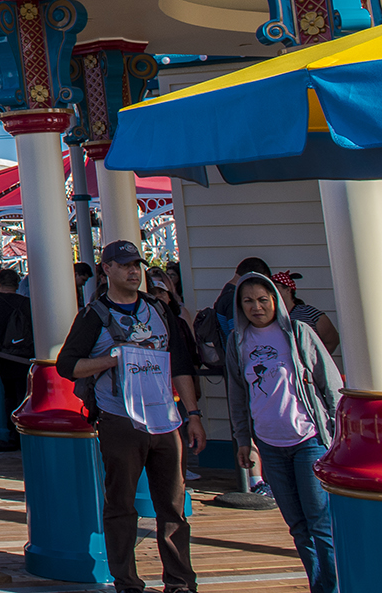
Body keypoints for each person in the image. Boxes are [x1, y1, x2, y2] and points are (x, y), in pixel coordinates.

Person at [57, 241, 206, 593]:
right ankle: (127, 581)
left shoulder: (157, 309)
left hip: (165, 419)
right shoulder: (93, 316)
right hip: (120, 419)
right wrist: (111, 359)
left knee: (172, 506)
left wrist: (193, 414)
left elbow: (180, 363)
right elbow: (68, 366)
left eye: (136, 264)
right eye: (124, 265)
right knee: (121, 504)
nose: (133, 271)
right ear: (106, 269)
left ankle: (180, 581)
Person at [225, 272, 340, 593]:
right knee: (298, 527)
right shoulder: (237, 341)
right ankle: (319, 586)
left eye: (263, 299)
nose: (256, 307)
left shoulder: (300, 334)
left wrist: (336, 434)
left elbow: (329, 384)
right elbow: (237, 393)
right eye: (248, 301)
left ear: (276, 300)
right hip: (270, 446)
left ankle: (334, 587)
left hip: (309, 441)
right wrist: (243, 441)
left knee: (321, 524)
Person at [0, 267, 33, 443]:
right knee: (24, 391)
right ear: (17, 284)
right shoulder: (25, 303)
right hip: (25, 354)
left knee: (9, 393)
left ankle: (12, 431)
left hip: (2, 354)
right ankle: (25, 428)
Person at [271, 271, 342, 355]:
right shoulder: (270, 316)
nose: (272, 292)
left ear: (288, 290)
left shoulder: (309, 313)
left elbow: (332, 340)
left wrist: (316, 361)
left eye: (276, 288)